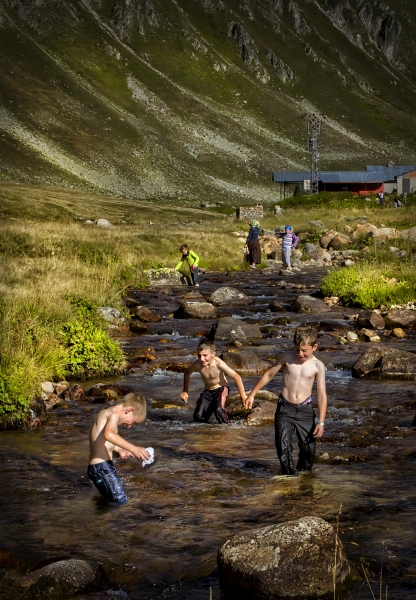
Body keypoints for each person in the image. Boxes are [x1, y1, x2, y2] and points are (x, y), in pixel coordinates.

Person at [245, 326, 327, 476]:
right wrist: (252, 394)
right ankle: (289, 476)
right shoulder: (286, 358)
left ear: (314, 347)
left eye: (304, 351)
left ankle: (303, 476)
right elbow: (269, 374)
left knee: (308, 449)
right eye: (297, 350)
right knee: (283, 447)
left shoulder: (318, 366)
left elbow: (322, 394)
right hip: (285, 408)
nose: (300, 354)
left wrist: (321, 422)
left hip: (305, 411)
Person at [88, 393, 150, 504]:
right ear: (129, 410)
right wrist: (133, 448)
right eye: (133, 422)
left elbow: (102, 440)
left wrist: (119, 449)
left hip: (100, 468)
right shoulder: (113, 414)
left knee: (111, 501)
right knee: (120, 500)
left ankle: (102, 519)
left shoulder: (106, 413)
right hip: (102, 468)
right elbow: (109, 435)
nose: (129, 425)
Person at [181, 338, 247, 424]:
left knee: (218, 410)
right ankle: (207, 434)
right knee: (198, 417)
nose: (201, 359)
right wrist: (185, 391)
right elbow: (187, 373)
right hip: (207, 392)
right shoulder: (197, 364)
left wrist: (243, 396)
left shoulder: (218, 364)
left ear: (213, 354)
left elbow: (237, 377)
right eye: (199, 355)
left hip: (221, 389)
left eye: (205, 355)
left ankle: (228, 429)